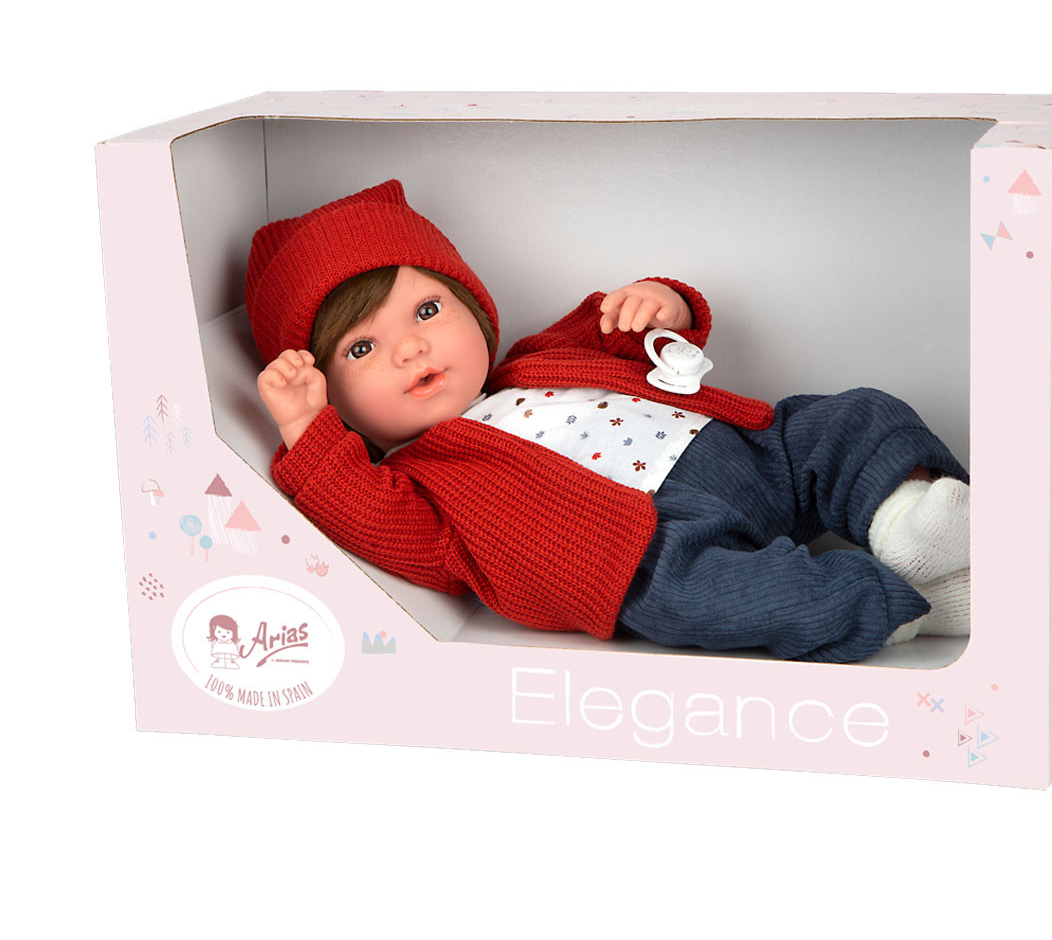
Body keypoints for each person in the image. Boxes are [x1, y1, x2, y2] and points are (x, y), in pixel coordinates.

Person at [247, 179, 970, 663]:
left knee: (847, 418)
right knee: (725, 601)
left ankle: (904, 520)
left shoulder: (536, 357)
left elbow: (626, 332)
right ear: (334, 399)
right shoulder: (420, 485)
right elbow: (364, 512)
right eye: (363, 348)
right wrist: (307, 430)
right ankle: (906, 604)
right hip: (653, 556)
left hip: (748, 452)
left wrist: (660, 303)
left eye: (428, 311)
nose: (409, 348)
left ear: (473, 306)